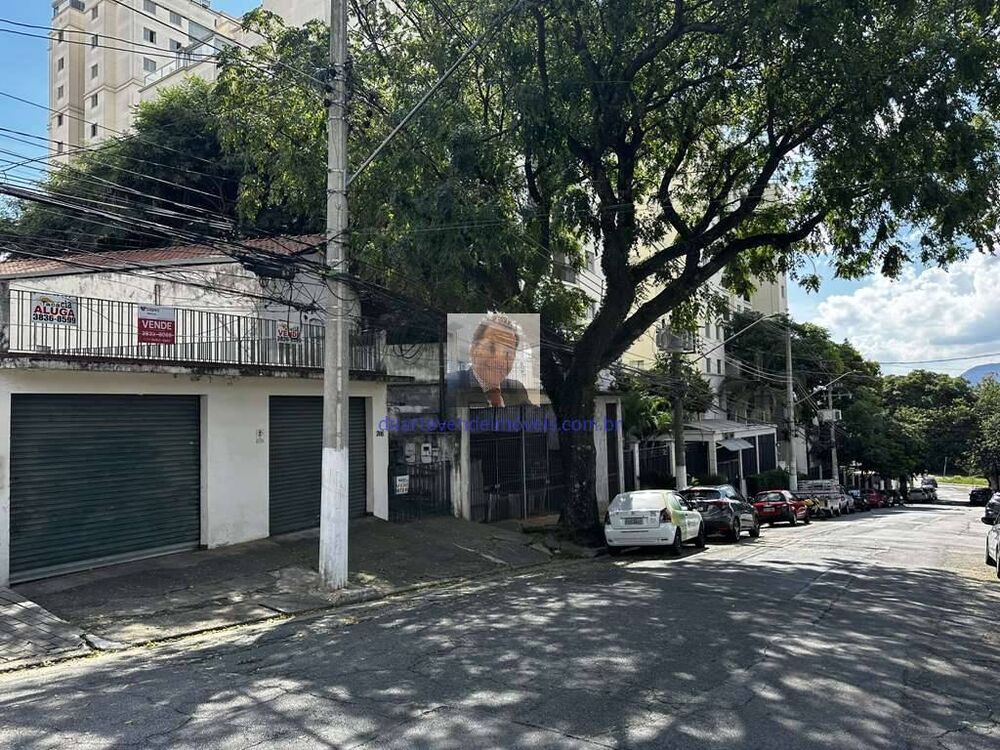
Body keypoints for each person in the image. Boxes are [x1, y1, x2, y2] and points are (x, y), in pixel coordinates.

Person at [447, 314, 532, 409]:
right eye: (491, 348)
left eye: (508, 353)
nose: (499, 360)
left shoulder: (517, 389)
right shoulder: (449, 387)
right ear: (473, 350)